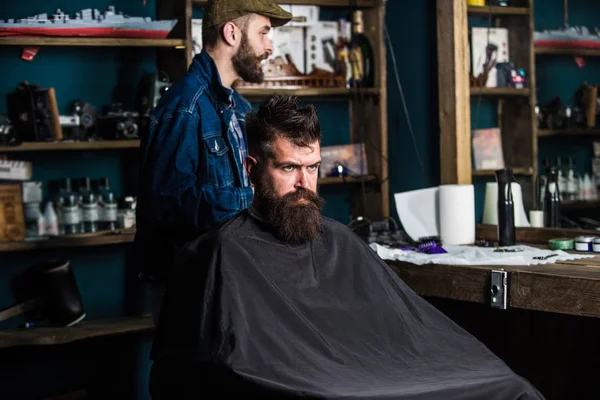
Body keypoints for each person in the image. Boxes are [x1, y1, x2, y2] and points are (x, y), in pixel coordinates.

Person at [148, 93, 545, 399]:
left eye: (313, 167)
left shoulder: (339, 240)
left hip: (375, 373)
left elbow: (408, 330)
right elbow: (197, 373)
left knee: (507, 386)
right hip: (322, 385)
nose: (305, 184)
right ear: (252, 169)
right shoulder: (223, 253)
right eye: (288, 168)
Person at [133, 0, 292, 322]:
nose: (269, 47)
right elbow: (166, 203)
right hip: (188, 280)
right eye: (263, 33)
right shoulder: (184, 106)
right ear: (231, 33)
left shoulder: (237, 107)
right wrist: (256, 199)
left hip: (229, 270)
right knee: (189, 373)